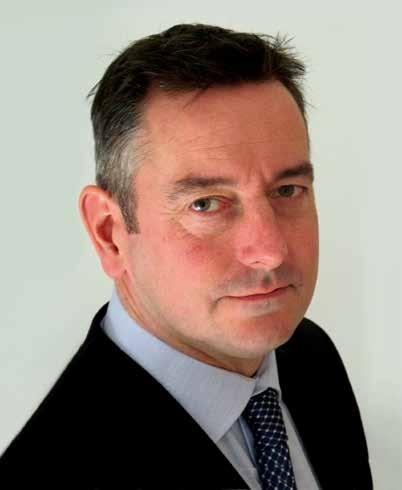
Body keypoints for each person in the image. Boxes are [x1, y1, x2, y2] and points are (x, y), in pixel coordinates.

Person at [0, 23, 372, 489]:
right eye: (205, 204)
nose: (270, 251)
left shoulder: (308, 356)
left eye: (287, 190)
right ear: (109, 233)